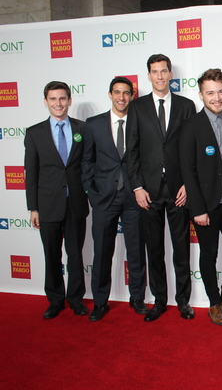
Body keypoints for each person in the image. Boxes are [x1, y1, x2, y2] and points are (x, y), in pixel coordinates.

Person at [126, 54, 197, 322]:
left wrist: (188, 186)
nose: (159, 76)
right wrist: (137, 187)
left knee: (181, 249)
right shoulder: (137, 107)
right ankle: (159, 301)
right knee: (154, 249)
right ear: (148, 76)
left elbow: (191, 152)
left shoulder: (186, 105)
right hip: (149, 191)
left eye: (164, 71)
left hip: (179, 190)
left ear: (170, 74)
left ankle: (183, 301)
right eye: (154, 72)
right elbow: (131, 150)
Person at [180, 69, 222, 325]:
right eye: (210, 92)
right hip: (206, 207)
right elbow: (188, 169)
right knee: (209, 255)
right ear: (201, 95)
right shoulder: (191, 126)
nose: (217, 97)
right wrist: (197, 209)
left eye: (221, 91)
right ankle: (213, 303)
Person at [81, 77, 147, 321]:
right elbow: (87, 160)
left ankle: (137, 298)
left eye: (126, 93)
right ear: (110, 94)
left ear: (132, 96)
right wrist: (91, 191)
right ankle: (100, 301)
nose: (121, 97)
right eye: (117, 92)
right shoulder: (93, 124)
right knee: (102, 252)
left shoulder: (139, 122)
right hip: (104, 198)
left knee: (137, 251)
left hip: (134, 197)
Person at [25, 81, 89, 319]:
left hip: (75, 203)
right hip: (47, 205)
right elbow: (31, 172)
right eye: (53, 99)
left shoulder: (82, 128)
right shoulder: (34, 133)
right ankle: (54, 300)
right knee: (51, 254)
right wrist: (33, 207)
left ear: (70, 100)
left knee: (75, 254)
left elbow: (87, 165)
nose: (58, 103)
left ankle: (76, 299)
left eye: (62, 98)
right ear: (46, 102)